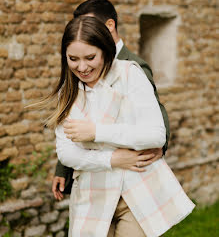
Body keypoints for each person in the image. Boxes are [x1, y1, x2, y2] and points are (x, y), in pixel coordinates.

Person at [52, 16, 195, 236]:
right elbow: (67, 152)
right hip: (92, 193)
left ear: (106, 50)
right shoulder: (67, 92)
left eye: (90, 57)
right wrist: (112, 159)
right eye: (73, 58)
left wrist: (96, 132)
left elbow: (156, 134)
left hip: (136, 190)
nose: (82, 67)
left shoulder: (130, 74)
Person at [52, 0, 170, 200]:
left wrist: (160, 146)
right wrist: (63, 169)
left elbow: (157, 115)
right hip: (95, 180)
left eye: (92, 26)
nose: (83, 66)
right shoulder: (77, 73)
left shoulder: (132, 66)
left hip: (130, 180)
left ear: (109, 25)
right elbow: (76, 121)